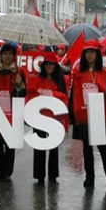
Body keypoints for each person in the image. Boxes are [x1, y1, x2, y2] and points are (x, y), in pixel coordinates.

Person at [70, 39, 106, 190]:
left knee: (104, 148)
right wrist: (72, 116)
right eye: (87, 53)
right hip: (83, 115)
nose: (90, 55)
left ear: (97, 54)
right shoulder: (78, 74)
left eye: (92, 52)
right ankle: (90, 177)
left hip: (99, 116)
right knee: (87, 149)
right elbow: (74, 95)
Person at [0, 43, 26, 182]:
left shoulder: (19, 72)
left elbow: (23, 93)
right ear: (1, 55)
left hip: (12, 111)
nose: (7, 56)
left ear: (14, 56)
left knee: (10, 143)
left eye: (10, 54)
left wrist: (20, 84)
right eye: (5, 53)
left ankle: (7, 171)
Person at [26, 53, 68, 185]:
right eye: (47, 64)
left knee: (54, 147)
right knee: (39, 147)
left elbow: (65, 97)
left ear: (56, 66)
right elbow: (29, 94)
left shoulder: (60, 81)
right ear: (43, 66)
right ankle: (39, 176)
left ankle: (53, 176)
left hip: (54, 119)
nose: (49, 67)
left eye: (51, 64)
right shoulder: (36, 80)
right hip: (39, 118)